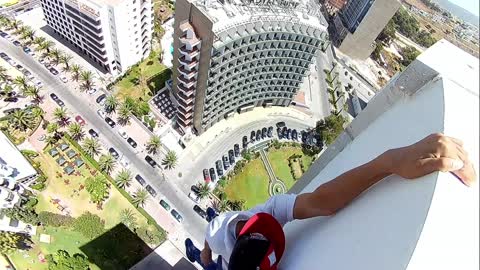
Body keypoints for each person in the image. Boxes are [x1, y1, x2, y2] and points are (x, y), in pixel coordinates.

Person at [185, 133, 476, 270]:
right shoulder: (229, 230)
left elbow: (322, 202)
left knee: (207, 253)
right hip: (218, 260)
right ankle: (196, 257)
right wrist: (385, 163)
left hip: (219, 256)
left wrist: (388, 163)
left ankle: (197, 258)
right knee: (205, 257)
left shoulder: (234, 229)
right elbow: (320, 202)